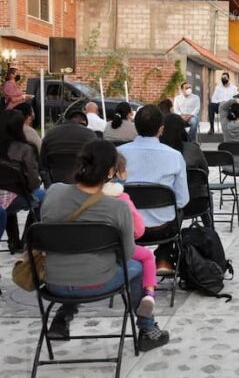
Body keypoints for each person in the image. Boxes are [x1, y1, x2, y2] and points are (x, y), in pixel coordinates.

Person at [42, 140, 169, 351]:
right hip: (97, 281)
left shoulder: (53, 192)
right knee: (136, 268)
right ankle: (147, 329)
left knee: (75, 262)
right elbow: (127, 253)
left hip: (53, 281)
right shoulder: (117, 207)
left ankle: (62, 317)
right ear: (111, 172)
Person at [118, 105, 189, 276]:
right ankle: (163, 257)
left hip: (127, 227)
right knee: (179, 208)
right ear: (161, 129)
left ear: (135, 126)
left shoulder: (118, 153)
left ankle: (132, 256)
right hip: (162, 227)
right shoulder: (174, 156)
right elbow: (182, 200)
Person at [102, 154, 157, 316]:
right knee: (146, 258)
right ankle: (149, 295)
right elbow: (139, 230)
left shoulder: (76, 198)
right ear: (114, 173)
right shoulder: (122, 200)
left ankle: (64, 314)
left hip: (71, 270)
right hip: (117, 252)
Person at [0, 109, 43, 253]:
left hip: (4, 198)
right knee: (42, 197)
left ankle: (13, 240)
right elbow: (33, 180)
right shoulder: (26, 149)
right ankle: (26, 240)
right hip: (16, 195)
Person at [159, 113, 212, 226]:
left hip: (165, 204)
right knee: (205, 191)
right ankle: (209, 227)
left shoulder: (159, 151)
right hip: (196, 202)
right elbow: (205, 172)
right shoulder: (193, 149)